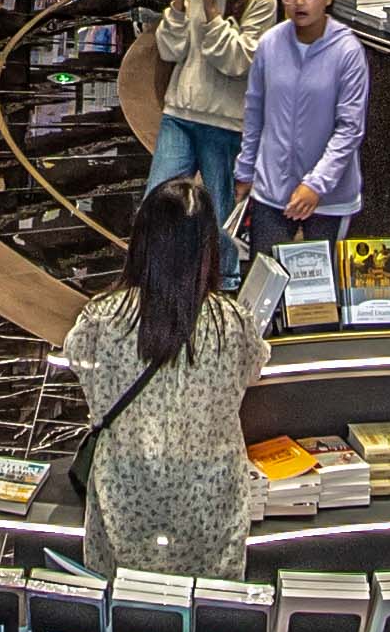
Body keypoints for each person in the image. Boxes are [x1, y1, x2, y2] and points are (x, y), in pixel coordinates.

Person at [58, 178, 289, 581]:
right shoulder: (231, 322)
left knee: (125, 609)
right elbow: (252, 368)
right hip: (209, 504)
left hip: (126, 496)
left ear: (143, 242)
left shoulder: (103, 318)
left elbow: (80, 365)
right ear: (207, 249)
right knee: (210, 614)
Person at [235, 0, 369, 246]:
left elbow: (350, 128)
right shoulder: (270, 43)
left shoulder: (347, 51)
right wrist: (245, 170)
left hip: (328, 195)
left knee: (318, 285)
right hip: (272, 188)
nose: (299, 2)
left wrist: (315, 185)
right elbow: (255, 110)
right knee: (264, 279)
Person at [149, 0, 263, 211]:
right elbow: (169, 49)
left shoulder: (261, 2)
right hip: (179, 114)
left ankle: (220, 261)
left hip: (224, 123)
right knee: (158, 206)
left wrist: (213, 14)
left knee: (219, 219)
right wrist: (177, 1)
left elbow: (237, 61)